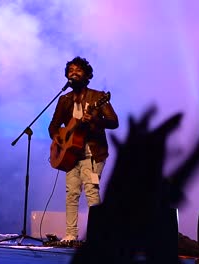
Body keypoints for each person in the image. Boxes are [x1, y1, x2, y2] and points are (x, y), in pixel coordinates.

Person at [48, 56, 119, 242]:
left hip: (93, 154)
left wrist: (94, 119)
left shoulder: (98, 97)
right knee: (71, 194)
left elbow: (113, 122)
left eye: (78, 70)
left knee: (91, 191)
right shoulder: (64, 100)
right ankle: (71, 234)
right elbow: (53, 126)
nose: (73, 73)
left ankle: (97, 235)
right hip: (71, 156)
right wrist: (59, 139)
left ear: (87, 76)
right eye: (70, 70)